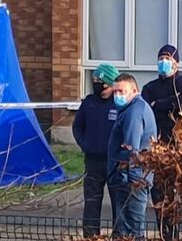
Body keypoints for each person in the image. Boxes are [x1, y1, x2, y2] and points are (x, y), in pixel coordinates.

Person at [141, 44, 182, 241]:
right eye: (161, 58)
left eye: (168, 58)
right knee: (160, 194)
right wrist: (168, 103)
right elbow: (146, 108)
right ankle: (166, 234)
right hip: (157, 146)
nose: (164, 62)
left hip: (179, 147)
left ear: (176, 62)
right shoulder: (150, 87)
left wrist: (159, 104)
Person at [72, 63, 120, 237]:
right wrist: (85, 145)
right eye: (94, 80)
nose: (95, 84)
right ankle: (91, 236)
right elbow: (77, 127)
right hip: (93, 162)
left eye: (98, 80)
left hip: (114, 163)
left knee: (118, 203)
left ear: (108, 82)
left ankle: (120, 236)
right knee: (92, 203)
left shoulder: (119, 103)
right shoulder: (89, 103)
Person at [107, 73, 157, 240]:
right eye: (115, 91)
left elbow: (132, 149)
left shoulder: (134, 112)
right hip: (133, 177)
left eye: (121, 91)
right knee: (127, 228)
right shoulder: (131, 108)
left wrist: (125, 177)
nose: (117, 95)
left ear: (134, 90)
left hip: (131, 179)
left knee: (131, 229)